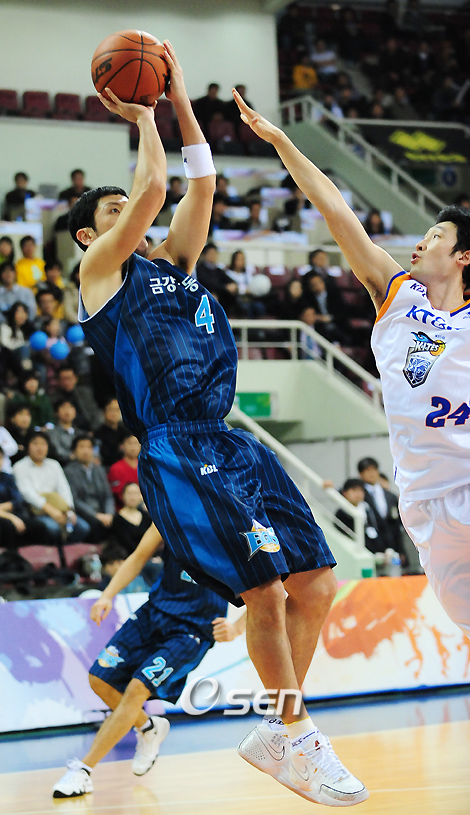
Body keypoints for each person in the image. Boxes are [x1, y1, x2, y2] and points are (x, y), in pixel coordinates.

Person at [68, 41, 367, 807]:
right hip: (175, 443)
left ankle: (276, 727)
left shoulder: (176, 264)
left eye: (126, 208)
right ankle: (299, 734)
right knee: (263, 587)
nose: (131, 213)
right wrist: (143, 114)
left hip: (228, 436)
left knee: (317, 582)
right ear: (88, 235)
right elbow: (156, 185)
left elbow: (198, 181)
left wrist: (177, 99)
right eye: (112, 211)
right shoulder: (100, 274)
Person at [233, 88, 470, 637]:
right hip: (423, 503)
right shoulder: (398, 296)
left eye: (435, 236)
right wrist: (282, 142)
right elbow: (336, 209)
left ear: (464, 257)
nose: (420, 243)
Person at [52, 523, 238, 799]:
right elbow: (139, 556)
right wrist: (107, 595)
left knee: (136, 689)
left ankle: (83, 770)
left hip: (193, 630)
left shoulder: (235, 525)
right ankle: (148, 727)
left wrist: (237, 628)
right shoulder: (171, 509)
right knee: (99, 679)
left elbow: (271, 588)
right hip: (154, 613)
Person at [12, 431, 90, 549]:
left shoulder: (54, 465)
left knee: (83, 527)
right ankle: (53, 556)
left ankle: (66, 555)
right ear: (28, 446)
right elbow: (27, 493)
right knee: (52, 528)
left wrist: (69, 511)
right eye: (35, 444)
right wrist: (50, 510)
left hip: (59, 508)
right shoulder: (19, 467)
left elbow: (64, 489)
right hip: (35, 511)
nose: (40, 448)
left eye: (43, 444)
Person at [65, 435, 115, 542]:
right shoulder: (69, 471)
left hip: (103, 512)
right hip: (84, 513)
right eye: (81, 447)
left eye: (89, 447)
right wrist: (96, 515)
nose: (86, 451)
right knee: (95, 524)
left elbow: (108, 496)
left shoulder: (99, 470)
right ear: (74, 451)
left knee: (121, 521)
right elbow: (75, 500)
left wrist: (109, 514)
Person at [107, 433, 140, 509]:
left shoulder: (145, 467)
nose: (133, 447)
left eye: (136, 443)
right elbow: (115, 494)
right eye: (129, 443)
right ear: (122, 446)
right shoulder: (116, 468)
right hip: (121, 509)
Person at [94, 397, 126, 468]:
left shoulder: (125, 431)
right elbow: (103, 456)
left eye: (117, 410)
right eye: (111, 409)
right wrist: (120, 451)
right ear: (104, 411)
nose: (114, 413)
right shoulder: (99, 433)